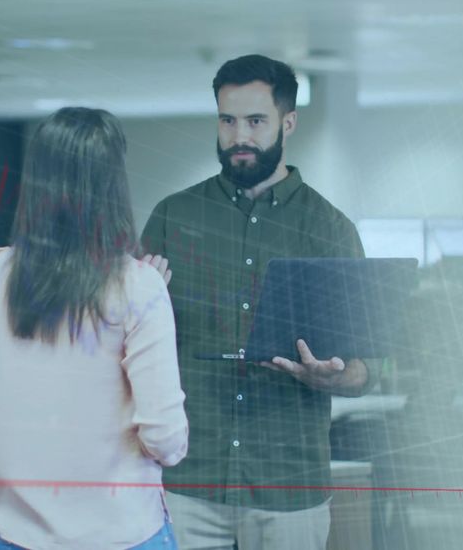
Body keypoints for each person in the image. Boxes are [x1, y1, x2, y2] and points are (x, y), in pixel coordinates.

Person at [139, 54, 379, 550]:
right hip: (187, 480)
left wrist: (332, 376)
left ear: (287, 122)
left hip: (288, 484)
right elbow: (129, 342)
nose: (239, 136)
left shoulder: (330, 230)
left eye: (255, 121)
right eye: (227, 120)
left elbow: (366, 369)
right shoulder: (172, 217)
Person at [0, 107, 188, 550]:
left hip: (16, 538)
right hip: (122, 537)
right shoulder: (138, 286)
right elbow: (166, 440)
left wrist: (28, 444)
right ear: (112, 184)